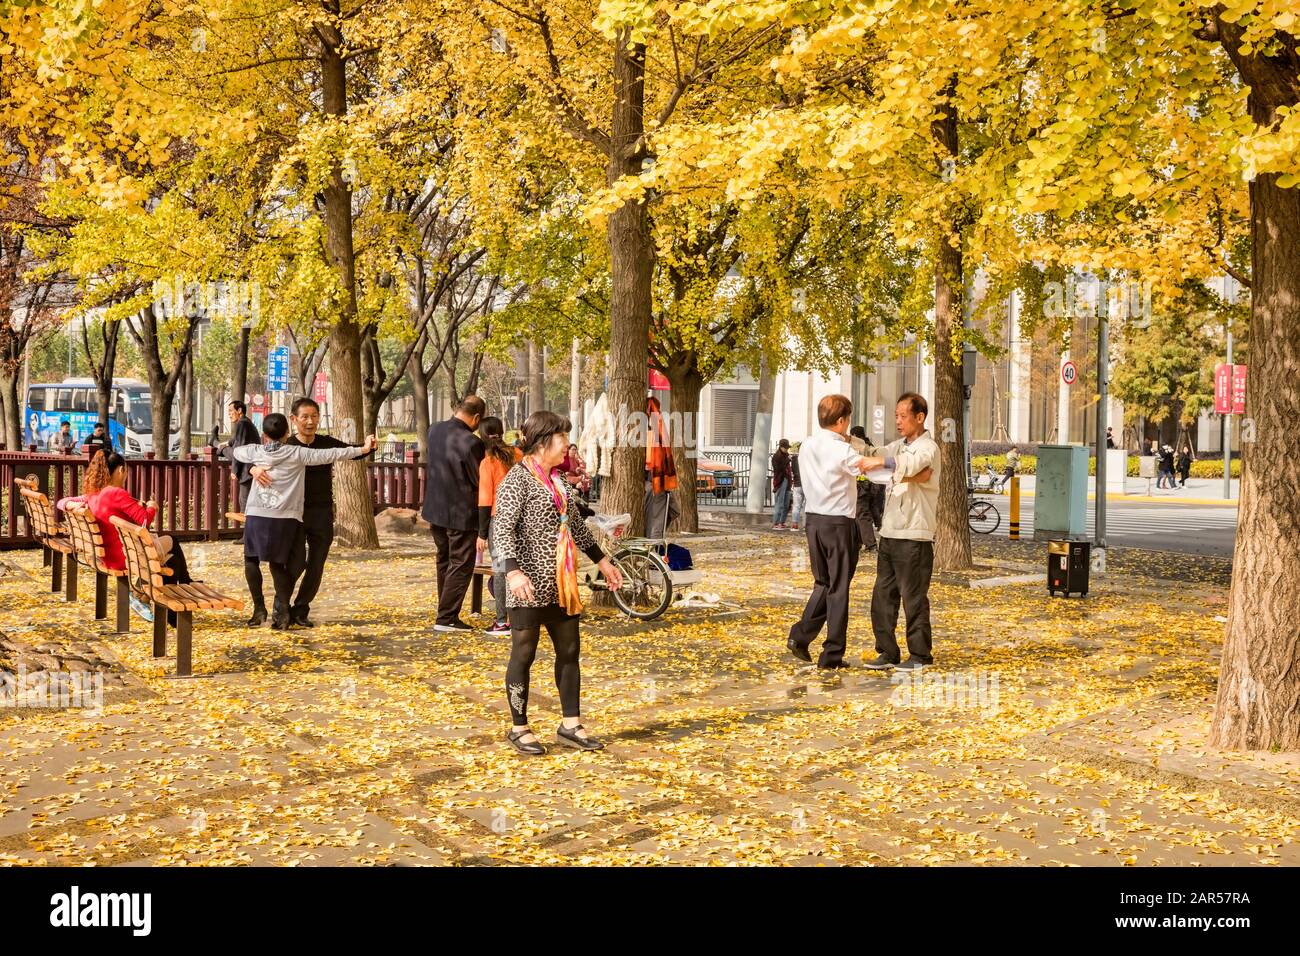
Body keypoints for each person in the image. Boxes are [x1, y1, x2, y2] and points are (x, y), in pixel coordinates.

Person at [491, 410, 624, 755]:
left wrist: (603, 562)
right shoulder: (516, 480)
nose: (568, 443)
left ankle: (570, 724)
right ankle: (519, 728)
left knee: (569, 651)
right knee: (524, 653)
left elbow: (576, 527)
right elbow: (500, 530)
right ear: (543, 441)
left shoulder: (558, 482)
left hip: (560, 584)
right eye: (563, 436)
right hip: (527, 585)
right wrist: (513, 572)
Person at [227, 414, 376, 629]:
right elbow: (332, 454)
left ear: (264, 435)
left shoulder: (255, 451)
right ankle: (284, 610)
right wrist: (362, 449)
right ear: (288, 433)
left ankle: (259, 609)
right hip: (285, 517)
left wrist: (250, 465)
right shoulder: (297, 453)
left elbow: (233, 451)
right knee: (278, 565)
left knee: (251, 560)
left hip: (257, 514)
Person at [786, 395, 879, 670]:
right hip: (839, 523)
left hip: (814, 520)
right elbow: (865, 465)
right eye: (847, 420)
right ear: (841, 421)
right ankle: (832, 654)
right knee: (838, 589)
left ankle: (800, 636)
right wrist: (898, 464)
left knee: (823, 583)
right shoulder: (841, 450)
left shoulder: (808, 444)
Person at [865, 392, 941, 672]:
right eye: (896, 415)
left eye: (902, 416)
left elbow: (909, 465)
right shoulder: (899, 445)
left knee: (913, 598)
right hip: (890, 532)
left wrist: (889, 467)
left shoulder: (928, 448)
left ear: (919, 417)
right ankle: (887, 651)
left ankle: (920, 655)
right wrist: (850, 443)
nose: (897, 421)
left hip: (914, 535)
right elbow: (878, 454)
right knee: (882, 596)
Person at [82, 451, 193, 624]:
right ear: (120, 470)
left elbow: (64, 502)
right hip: (125, 556)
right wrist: (152, 507)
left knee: (173, 563)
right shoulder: (116, 493)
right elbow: (144, 520)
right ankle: (182, 586)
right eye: (125, 471)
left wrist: (67, 503)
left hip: (106, 553)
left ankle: (170, 607)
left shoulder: (94, 493)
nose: (125, 475)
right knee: (172, 541)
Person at [421, 395, 486, 632]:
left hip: (435, 508)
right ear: (477, 417)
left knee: (444, 559)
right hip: (461, 511)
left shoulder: (434, 430)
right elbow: (480, 479)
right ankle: (447, 617)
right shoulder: (472, 442)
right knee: (460, 563)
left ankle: (444, 609)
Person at [477, 416, 520, 637]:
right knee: (521, 566)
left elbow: (485, 500)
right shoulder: (519, 455)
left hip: (499, 519)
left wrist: (482, 533)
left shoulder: (488, 463)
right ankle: (522, 617)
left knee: (501, 570)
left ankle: (502, 621)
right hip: (522, 518)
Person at [645, 396, 679, 538]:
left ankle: (652, 553)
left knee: (655, 519)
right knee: (656, 521)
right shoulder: (656, 430)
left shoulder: (653, 430)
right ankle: (653, 553)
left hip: (654, 481)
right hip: (656, 482)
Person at [221, 401, 261, 512]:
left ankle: (247, 529)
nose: (229, 414)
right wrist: (228, 443)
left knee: (245, 504)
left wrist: (234, 470)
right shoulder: (246, 422)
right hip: (250, 467)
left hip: (247, 469)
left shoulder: (242, 423)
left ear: (239, 411)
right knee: (246, 502)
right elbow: (237, 440)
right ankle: (215, 443)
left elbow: (239, 448)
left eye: (230, 411)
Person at [849, 426, 878, 551]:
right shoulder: (869, 445)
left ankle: (870, 544)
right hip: (871, 485)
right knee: (860, 513)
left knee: (861, 514)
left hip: (862, 485)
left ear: (855, 435)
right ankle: (859, 541)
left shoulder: (860, 448)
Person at [770, 438, 794, 530]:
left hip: (787, 480)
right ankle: (776, 522)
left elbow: (788, 469)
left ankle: (781, 522)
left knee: (786, 503)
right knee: (779, 503)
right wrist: (787, 461)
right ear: (780, 447)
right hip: (780, 481)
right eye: (785, 448)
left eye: (787, 448)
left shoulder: (786, 455)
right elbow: (777, 469)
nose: (787, 449)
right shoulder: (776, 457)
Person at [789, 442, 805, 532]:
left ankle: (794, 525)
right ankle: (806, 525)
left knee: (796, 505)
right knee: (806, 506)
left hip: (797, 484)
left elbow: (793, 470)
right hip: (806, 484)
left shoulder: (794, 459)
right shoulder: (808, 458)